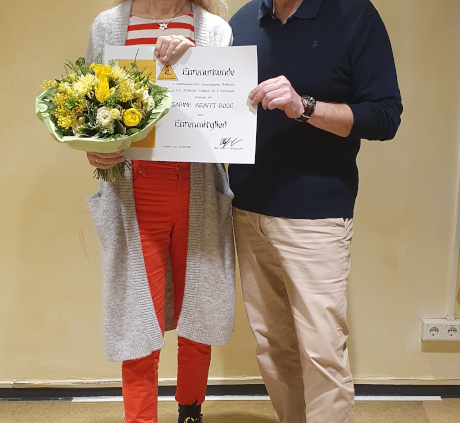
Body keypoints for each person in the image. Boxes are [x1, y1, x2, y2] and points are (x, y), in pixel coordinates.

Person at [229, 0, 402, 422]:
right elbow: (211, 102)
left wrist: (303, 107)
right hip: (247, 210)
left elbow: (385, 116)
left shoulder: (355, 16)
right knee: (272, 345)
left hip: (317, 215)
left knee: (322, 351)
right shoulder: (243, 21)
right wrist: (182, 57)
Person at [84, 1, 235, 423]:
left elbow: (228, 110)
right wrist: (94, 149)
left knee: (199, 309)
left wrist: (199, 63)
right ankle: (140, 419)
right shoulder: (108, 26)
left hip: (198, 187)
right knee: (136, 320)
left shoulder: (215, 30)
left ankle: (190, 410)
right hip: (132, 192)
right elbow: (89, 112)